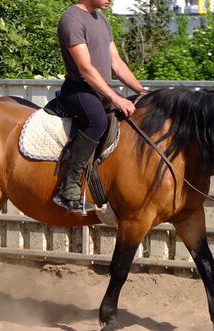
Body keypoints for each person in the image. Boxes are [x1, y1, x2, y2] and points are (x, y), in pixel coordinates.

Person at [53, 0, 148, 212]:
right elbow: (85, 68)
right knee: (97, 122)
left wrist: (141, 91)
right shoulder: (72, 19)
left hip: (99, 89)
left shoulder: (101, 19)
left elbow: (117, 63)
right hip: (78, 90)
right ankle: (68, 188)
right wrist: (116, 98)